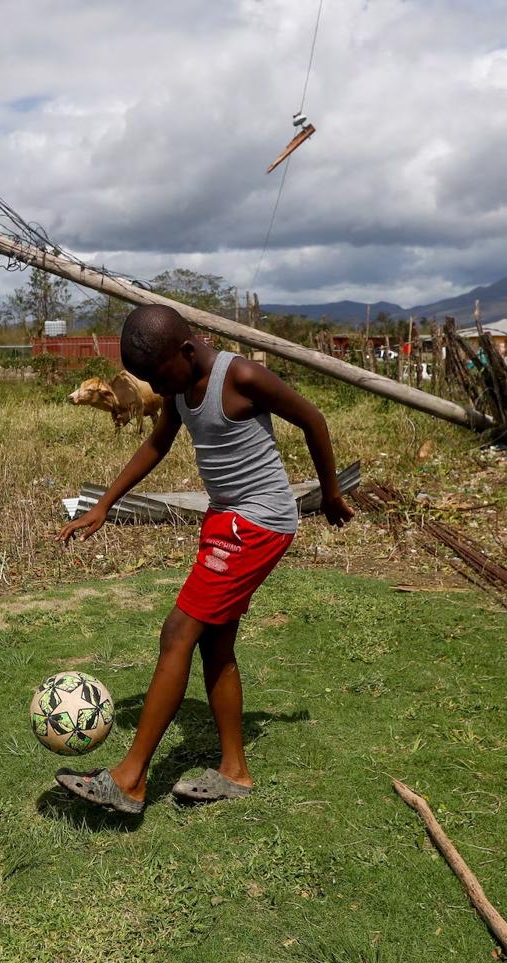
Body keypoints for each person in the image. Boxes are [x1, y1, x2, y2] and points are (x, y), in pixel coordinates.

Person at [54, 303, 352, 814]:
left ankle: (129, 780)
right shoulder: (177, 387)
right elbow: (158, 443)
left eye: (157, 375)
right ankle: (235, 772)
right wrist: (103, 505)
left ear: (187, 351)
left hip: (256, 522)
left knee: (177, 632)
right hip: (225, 518)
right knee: (214, 643)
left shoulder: (240, 375)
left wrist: (329, 494)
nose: (154, 387)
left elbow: (313, 420)